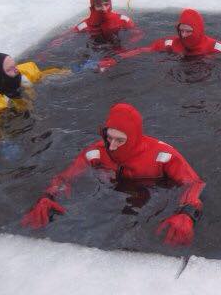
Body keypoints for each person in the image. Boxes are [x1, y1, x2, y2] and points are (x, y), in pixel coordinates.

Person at [21, 103, 205, 246]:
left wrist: (187, 212)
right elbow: (65, 178)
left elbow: (194, 183)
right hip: (111, 192)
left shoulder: (163, 156)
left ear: (133, 138)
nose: (112, 146)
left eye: (120, 140)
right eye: (109, 137)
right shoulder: (96, 152)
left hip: (154, 194)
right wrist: (49, 195)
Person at [89, 8, 221, 82]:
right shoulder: (171, 43)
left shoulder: (213, 46)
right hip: (180, 73)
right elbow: (144, 50)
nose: (184, 35)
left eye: (188, 31)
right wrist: (116, 58)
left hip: (206, 75)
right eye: (181, 31)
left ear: (198, 31)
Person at [0, 52, 65, 139]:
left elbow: (54, 73)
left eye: (14, 65)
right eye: (9, 69)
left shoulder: (24, 73)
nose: (16, 70)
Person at [43, 0, 143, 53]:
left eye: (106, 5)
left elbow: (138, 34)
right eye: (99, 6)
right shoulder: (85, 25)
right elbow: (64, 38)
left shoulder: (123, 20)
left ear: (110, 4)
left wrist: (126, 47)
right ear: (93, 6)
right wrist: (45, 52)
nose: (104, 9)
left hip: (119, 52)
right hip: (96, 52)